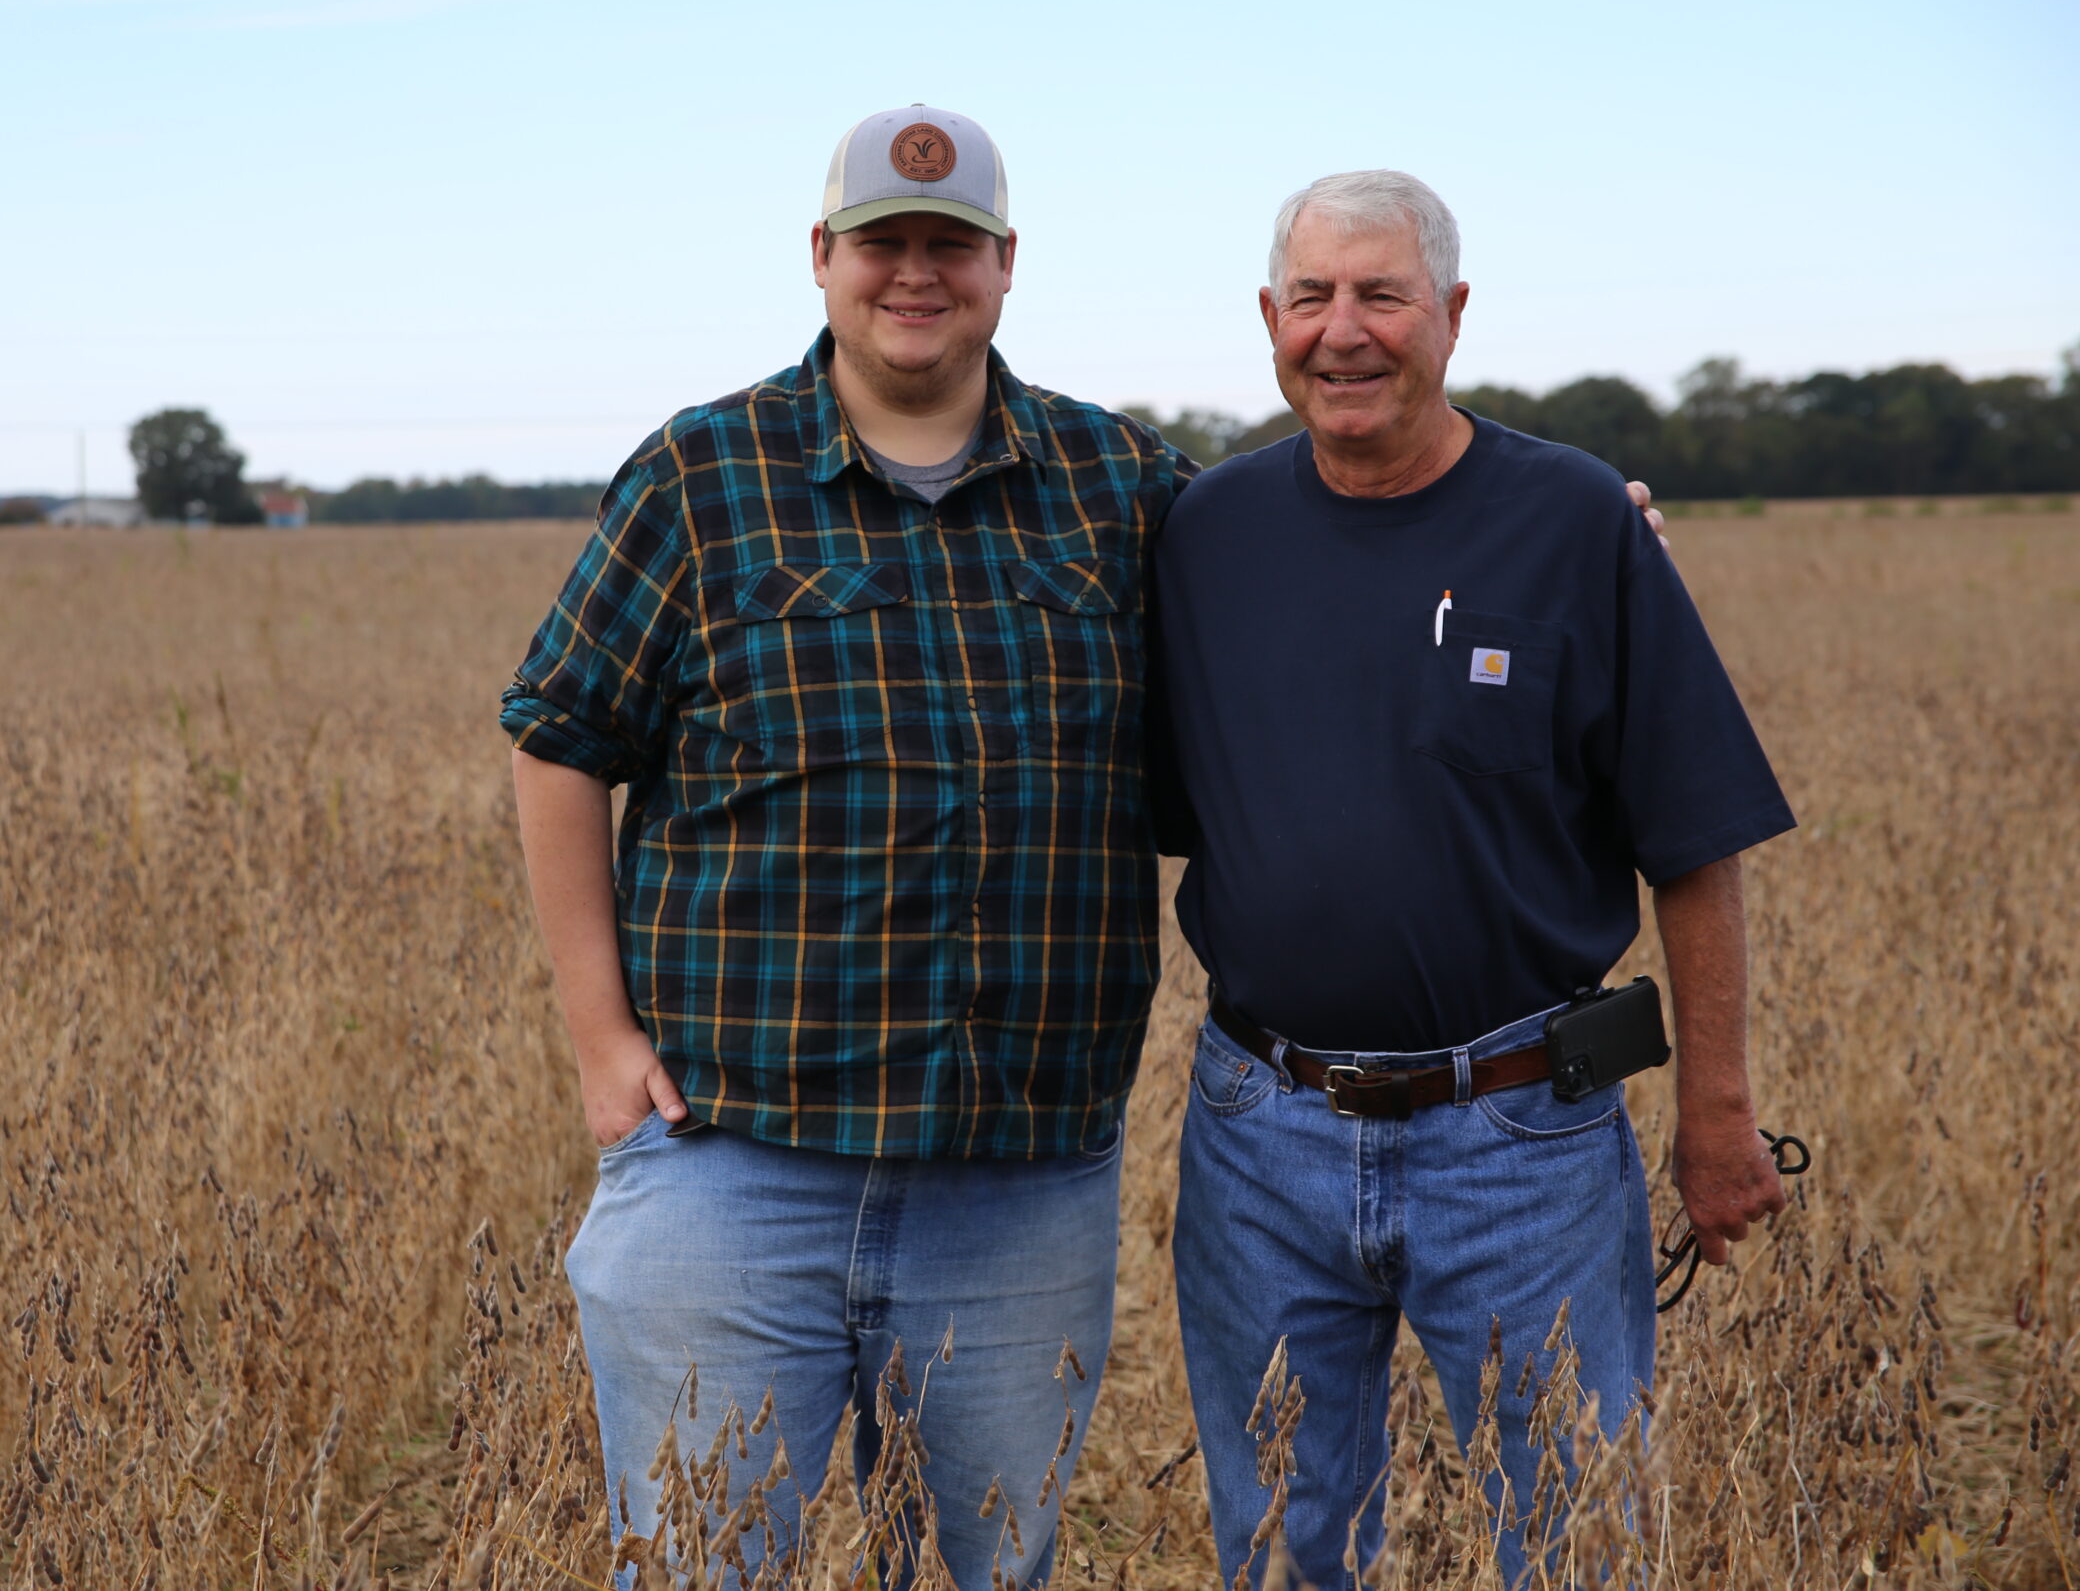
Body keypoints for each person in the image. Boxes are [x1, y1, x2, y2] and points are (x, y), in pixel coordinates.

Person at [500, 105, 1190, 1588]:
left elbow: (1310, 598)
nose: (916, 275)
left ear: (1007, 266)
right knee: (702, 1569)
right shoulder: (703, 477)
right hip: (734, 1164)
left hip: (1021, 1179)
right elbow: (559, 736)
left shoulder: (1120, 483)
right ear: (822, 258)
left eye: (953, 245)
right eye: (884, 243)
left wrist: (1550, 528)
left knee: (988, 1573)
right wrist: (598, 1038)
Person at [1152, 170, 1796, 1589]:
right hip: (1262, 1132)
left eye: (1381, 294)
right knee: (1279, 1547)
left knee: (1579, 1545)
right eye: (1312, 298)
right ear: (1268, 319)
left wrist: (1716, 1117)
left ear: (1450, 313)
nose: (1345, 331)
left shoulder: (1574, 521)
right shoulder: (1204, 536)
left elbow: (1693, 841)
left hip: (1523, 1138)